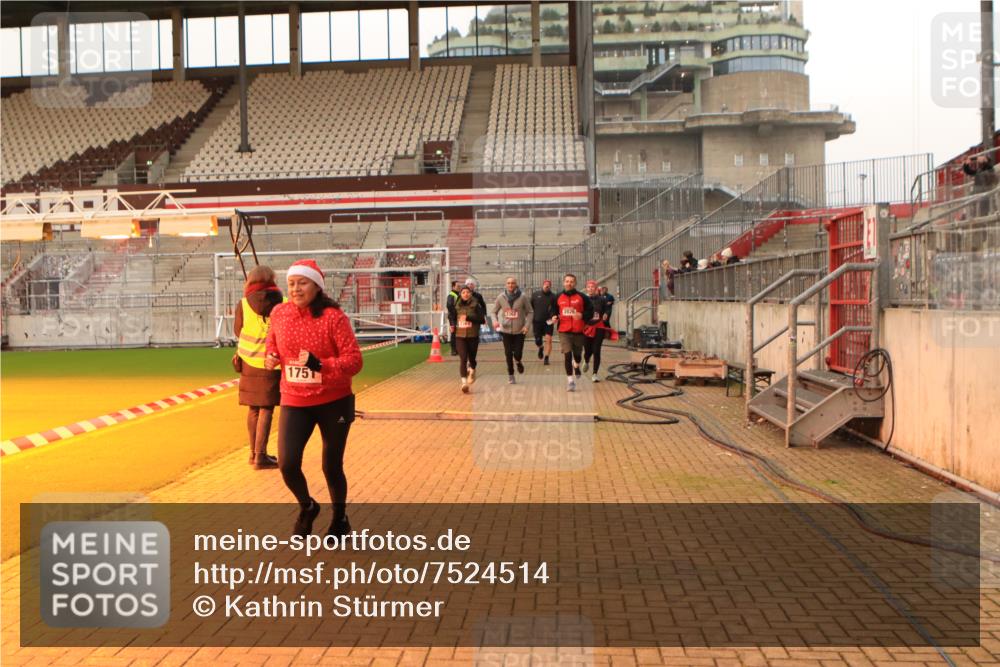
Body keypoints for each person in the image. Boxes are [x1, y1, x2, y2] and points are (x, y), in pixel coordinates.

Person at [264, 259, 363, 538]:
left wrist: (322, 365)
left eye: (302, 283)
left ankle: (339, 519)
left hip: (335, 401)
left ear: (317, 286)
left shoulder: (334, 318)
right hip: (295, 399)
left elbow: (354, 361)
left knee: (331, 464)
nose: (296, 289)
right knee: (287, 463)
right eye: (292, 283)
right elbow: (273, 342)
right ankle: (307, 507)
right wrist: (270, 356)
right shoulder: (279, 313)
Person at [233, 265, 283, 470]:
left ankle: (253, 453)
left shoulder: (243, 304)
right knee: (266, 408)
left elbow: (238, 331)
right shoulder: (282, 302)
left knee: (254, 408)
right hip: (270, 361)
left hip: (248, 362)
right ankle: (261, 455)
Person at [553, 273, 593, 392]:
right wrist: (554, 316)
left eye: (571, 281)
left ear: (575, 283)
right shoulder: (558, 296)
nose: (569, 283)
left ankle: (576, 365)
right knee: (567, 354)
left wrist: (582, 315)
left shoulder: (582, 297)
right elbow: (553, 309)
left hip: (578, 330)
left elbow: (590, 311)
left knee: (577, 356)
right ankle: (570, 381)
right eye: (567, 281)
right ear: (563, 282)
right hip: (564, 331)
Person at [492, 276, 533, 384]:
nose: (510, 285)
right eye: (508, 283)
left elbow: (530, 312)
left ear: (516, 284)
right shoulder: (501, 297)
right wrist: (495, 321)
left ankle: (518, 361)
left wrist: (527, 325)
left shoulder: (523, 297)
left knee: (518, 353)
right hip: (505, 331)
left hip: (520, 330)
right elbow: (493, 312)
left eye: (513, 283)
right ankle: (511, 374)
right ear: (506, 285)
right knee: (508, 353)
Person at [453, 284, 486, 393]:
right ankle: (464, 383)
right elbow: (451, 316)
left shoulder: (476, 305)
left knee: (472, 358)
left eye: (467, 292)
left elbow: (482, 319)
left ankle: (472, 370)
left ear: (471, 294)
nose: (465, 294)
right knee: (463, 359)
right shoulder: (456, 305)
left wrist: (468, 318)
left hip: (472, 336)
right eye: (463, 292)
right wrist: (451, 324)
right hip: (460, 336)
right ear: (460, 294)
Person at [582, 280, 610, 383]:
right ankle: (586, 359)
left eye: (592, 287)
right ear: (586, 288)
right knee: (588, 350)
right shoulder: (583, 299)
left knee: (596, 350)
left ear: (596, 288)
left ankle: (594, 374)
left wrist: (606, 314)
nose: (590, 289)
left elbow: (608, 309)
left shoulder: (601, 299)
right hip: (586, 327)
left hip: (599, 327)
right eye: (588, 287)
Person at [530, 279, 559, 365]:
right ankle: (541, 347)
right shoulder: (535, 295)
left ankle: (546, 357)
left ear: (550, 286)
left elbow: (556, 309)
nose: (547, 286)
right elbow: (530, 307)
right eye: (545, 284)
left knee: (549, 340)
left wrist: (555, 316)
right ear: (542, 285)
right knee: (538, 340)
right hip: (537, 321)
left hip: (548, 321)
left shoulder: (553, 296)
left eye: (548, 285)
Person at [445, 280, 460, 356]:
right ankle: (453, 350)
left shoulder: (457, 294)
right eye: (457, 286)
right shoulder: (451, 295)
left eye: (459, 286)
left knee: (458, 333)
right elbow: (450, 306)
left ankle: (457, 349)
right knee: (453, 333)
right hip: (453, 318)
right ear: (453, 287)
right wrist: (456, 315)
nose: (459, 288)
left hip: (457, 317)